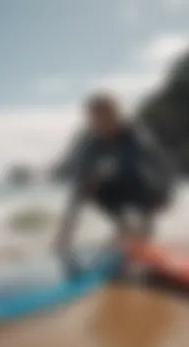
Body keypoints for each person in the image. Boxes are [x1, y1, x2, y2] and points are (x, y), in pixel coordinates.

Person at [55, 91, 175, 259]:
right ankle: (125, 228)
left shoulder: (134, 136)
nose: (100, 123)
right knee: (90, 186)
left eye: (106, 117)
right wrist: (64, 236)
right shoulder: (92, 142)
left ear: (117, 115)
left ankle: (143, 237)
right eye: (95, 118)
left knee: (135, 176)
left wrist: (165, 195)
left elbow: (154, 167)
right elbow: (79, 189)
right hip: (127, 183)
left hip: (153, 187)